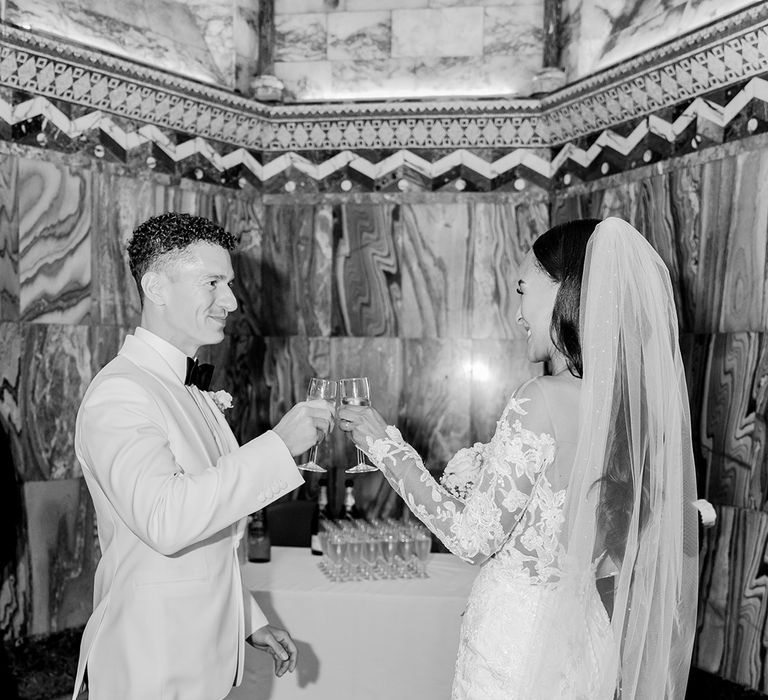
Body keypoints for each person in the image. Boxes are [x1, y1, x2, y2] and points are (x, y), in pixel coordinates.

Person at [338, 217, 699, 699]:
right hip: (586, 638)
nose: (518, 313)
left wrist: (384, 446)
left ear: (566, 291)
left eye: (524, 291)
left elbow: (471, 540)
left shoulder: (542, 398)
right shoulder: (631, 408)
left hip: (516, 642)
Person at [71, 213, 333, 700]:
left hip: (200, 658)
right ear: (156, 287)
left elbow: (208, 538)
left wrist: (248, 619)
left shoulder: (187, 387)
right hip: (150, 664)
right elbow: (166, 521)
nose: (231, 301)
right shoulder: (121, 394)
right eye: (212, 282)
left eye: (229, 284)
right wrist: (277, 445)